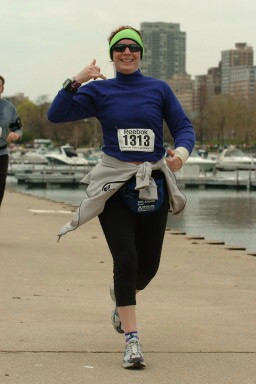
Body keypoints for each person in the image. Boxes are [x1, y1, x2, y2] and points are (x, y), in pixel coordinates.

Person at [48, 25, 195, 369]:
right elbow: (56, 114)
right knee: (125, 260)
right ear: (112, 54)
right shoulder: (100, 91)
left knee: (149, 266)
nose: (126, 52)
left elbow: (184, 127)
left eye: (133, 47)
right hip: (114, 184)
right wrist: (77, 79)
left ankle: (122, 300)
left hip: (152, 181)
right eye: (119, 48)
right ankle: (132, 341)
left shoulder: (158, 89)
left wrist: (181, 155)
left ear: (141, 53)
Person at [0, 75, 23, 206]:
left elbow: (18, 129)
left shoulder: (9, 108)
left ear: (2, 88)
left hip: (1, 155)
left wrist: (16, 135)